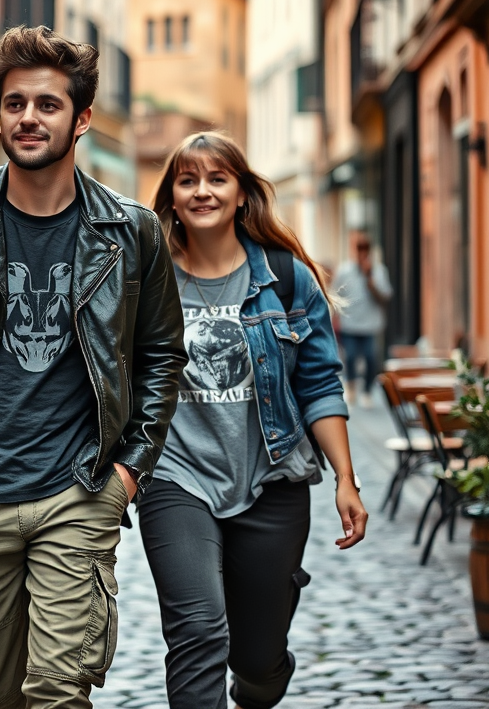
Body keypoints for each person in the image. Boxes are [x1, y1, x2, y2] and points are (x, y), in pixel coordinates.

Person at [0, 26, 187, 709]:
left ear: (81, 120)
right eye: (15, 103)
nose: (28, 118)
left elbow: (164, 353)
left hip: (77, 492)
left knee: (55, 688)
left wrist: (125, 477)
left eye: (48, 105)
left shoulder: (131, 231)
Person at [142, 131, 368, 709]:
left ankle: (263, 670)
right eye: (187, 180)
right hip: (176, 478)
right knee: (197, 632)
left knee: (256, 660)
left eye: (217, 178)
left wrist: (345, 477)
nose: (202, 191)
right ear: (171, 195)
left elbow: (317, 383)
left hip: (272, 480)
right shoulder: (146, 279)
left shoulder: (287, 279)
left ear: (241, 192)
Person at [332, 233, 393, 408]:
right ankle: (351, 386)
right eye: (358, 249)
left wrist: (370, 280)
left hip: (371, 324)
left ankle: (367, 390)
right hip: (349, 323)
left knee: (371, 358)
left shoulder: (379, 271)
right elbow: (335, 295)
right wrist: (335, 317)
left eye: (364, 249)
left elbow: (385, 297)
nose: (361, 253)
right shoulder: (344, 271)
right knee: (350, 357)